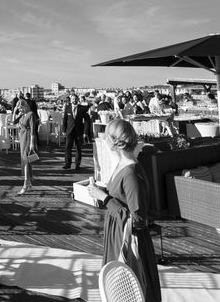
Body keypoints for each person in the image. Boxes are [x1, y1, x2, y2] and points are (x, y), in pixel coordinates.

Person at [88, 119, 161, 302]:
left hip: (127, 239)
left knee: (127, 286)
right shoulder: (122, 165)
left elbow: (137, 220)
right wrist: (103, 193)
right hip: (117, 232)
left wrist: (104, 198)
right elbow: (121, 198)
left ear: (113, 141)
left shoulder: (131, 173)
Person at [12, 98, 37, 195]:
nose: (20, 110)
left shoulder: (31, 114)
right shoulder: (23, 114)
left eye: (21, 108)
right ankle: (29, 182)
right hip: (22, 138)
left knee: (26, 160)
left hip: (27, 138)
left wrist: (32, 143)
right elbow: (13, 121)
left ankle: (25, 184)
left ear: (25, 106)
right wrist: (15, 111)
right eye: (19, 109)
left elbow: (33, 130)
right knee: (25, 160)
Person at [62, 94, 90, 170]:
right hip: (69, 131)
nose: (74, 100)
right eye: (73, 99)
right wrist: (63, 130)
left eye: (75, 99)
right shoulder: (67, 108)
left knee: (78, 148)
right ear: (71, 100)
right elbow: (64, 120)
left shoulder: (82, 108)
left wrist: (85, 132)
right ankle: (67, 164)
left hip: (79, 131)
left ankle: (77, 164)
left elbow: (87, 121)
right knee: (68, 147)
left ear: (78, 100)